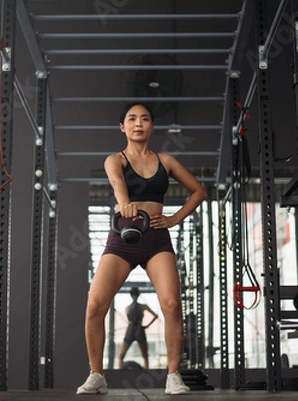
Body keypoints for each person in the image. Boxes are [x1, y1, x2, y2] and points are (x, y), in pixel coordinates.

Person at [77, 102, 207, 395]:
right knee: (95, 305)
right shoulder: (115, 159)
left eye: (145, 119)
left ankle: (174, 376)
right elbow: (116, 183)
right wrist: (124, 203)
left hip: (156, 239)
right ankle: (96, 375)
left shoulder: (166, 161)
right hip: (122, 237)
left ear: (151, 126)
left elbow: (199, 191)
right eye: (132, 119)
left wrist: (174, 218)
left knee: (172, 305)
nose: (139, 123)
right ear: (122, 127)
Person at [118, 287, 158, 369]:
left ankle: (120, 372)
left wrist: (146, 326)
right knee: (145, 356)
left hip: (132, 329)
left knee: (121, 356)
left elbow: (155, 316)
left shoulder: (128, 308)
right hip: (138, 329)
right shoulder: (141, 307)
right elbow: (155, 316)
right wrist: (146, 326)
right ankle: (145, 370)